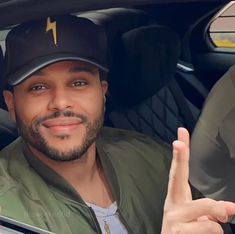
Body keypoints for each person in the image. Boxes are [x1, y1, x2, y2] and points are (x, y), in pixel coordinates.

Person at [0, 14, 235, 234]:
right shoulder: (7, 209)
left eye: (79, 83)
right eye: (38, 87)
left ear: (103, 92)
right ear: (11, 103)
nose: (61, 103)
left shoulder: (154, 158)